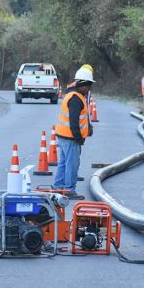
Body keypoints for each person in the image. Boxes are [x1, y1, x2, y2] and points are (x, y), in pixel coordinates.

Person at [53, 65, 95, 199]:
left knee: (64, 163)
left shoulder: (72, 95)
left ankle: (58, 187)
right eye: (88, 86)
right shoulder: (76, 98)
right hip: (70, 137)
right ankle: (69, 190)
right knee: (72, 164)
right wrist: (79, 137)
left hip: (64, 136)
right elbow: (74, 121)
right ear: (82, 85)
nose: (89, 89)